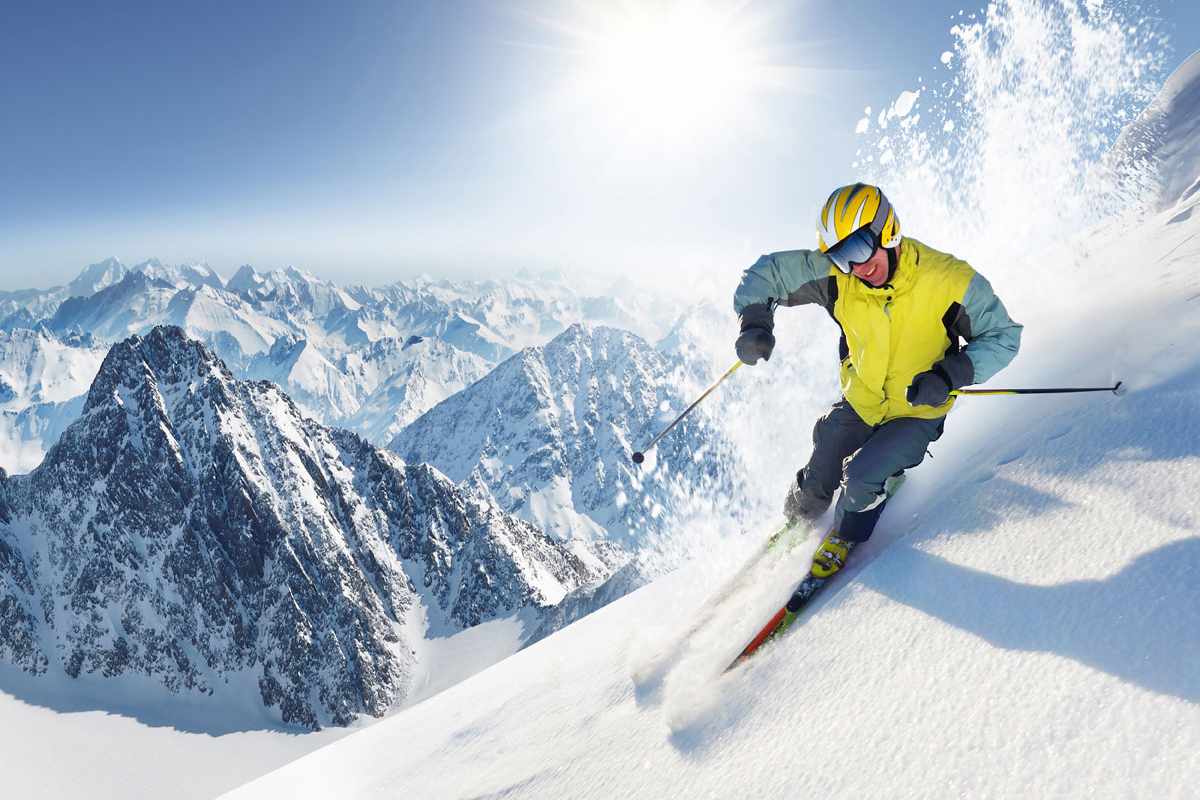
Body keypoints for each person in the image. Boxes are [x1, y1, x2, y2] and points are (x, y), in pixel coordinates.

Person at [733, 183, 1022, 579]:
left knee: (862, 476)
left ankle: (847, 534)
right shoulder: (840, 276)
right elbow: (768, 272)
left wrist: (949, 374)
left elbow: (1003, 336)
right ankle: (799, 516)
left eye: (860, 250)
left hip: (918, 409)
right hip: (863, 401)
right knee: (824, 456)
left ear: (888, 231)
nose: (857, 267)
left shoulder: (949, 280)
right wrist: (755, 323)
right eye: (841, 256)